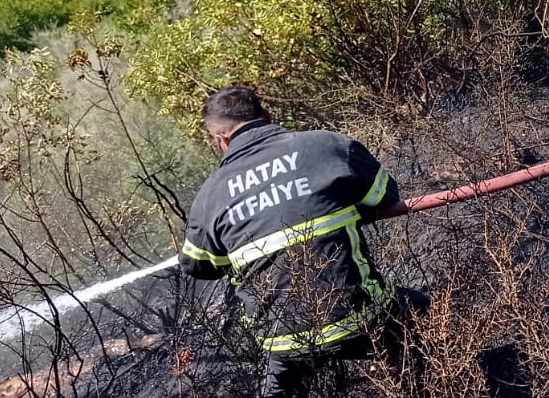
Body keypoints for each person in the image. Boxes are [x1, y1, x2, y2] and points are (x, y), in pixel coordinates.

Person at [177, 86, 427, 398]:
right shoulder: (326, 145)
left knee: (277, 388)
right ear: (267, 117)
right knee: (422, 312)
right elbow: (384, 195)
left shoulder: (209, 196)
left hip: (284, 340)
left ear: (221, 141)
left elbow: (197, 266)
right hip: (360, 317)